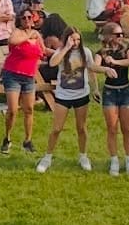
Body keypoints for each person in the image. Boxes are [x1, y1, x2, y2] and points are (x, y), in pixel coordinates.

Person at [35, 25, 96, 173]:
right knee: (56, 129)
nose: (75, 42)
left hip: (81, 94)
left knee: (81, 128)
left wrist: (95, 89)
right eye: (72, 39)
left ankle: (83, 156)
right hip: (63, 95)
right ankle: (47, 157)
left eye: (77, 40)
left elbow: (91, 69)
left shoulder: (85, 52)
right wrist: (66, 48)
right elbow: (52, 63)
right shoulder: (61, 52)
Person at [0, 9, 45, 156]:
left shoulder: (37, 36)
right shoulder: (17, 32)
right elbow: (12, 42)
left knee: (29, 109)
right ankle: (7, 138)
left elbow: (43, 51)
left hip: (29, 76)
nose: (27, 20)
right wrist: (28, 36)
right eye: (24, 17)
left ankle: (28, 140)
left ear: (33, 19)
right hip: (13, 75)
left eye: (29, 17)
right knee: (13, 110)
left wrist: (64, 50)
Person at [97, 22, 129, 175]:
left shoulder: (126, 48)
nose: (121, 37)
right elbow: (94, 66)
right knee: (112, 128)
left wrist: (114, 62)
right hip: (110, 92)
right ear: (109, 36)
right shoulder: (102, 52)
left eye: (122, 34)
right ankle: (114, 160)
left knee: (126, 128)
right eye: (117, 34)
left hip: (125, 90)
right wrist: (105, 68)